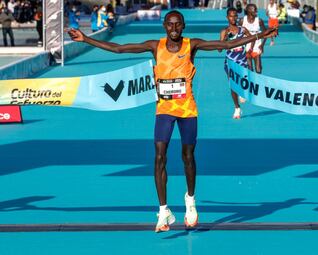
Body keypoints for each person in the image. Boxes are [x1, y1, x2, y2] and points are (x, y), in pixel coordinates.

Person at [68, 10, 276, 232]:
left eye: (178, 25)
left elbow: (224, 46)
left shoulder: (191, 44)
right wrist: (85, 38)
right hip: (165, 109)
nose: (174, 28)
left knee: (188, 157)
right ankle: (163, 210)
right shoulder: (155, 46)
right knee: (159, 156)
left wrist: (259, 36)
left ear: (183, 26)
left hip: (187, 109)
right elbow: (120, 49)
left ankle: (190, 200)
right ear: (164, 26)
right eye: (170, 25)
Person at [220, 7, 251, 119]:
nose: (233, 18)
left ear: (237, 17)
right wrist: (225, 39)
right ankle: (237, 108)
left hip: (242, 61)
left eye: (235, 15)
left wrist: (250, 50)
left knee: (242, 81)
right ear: (227, 17)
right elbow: (219, 49)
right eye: (231, 16)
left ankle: (243, 92)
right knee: (233, 85)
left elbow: (252, 38)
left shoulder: (243, 30)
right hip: (229, 62)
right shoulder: (224, 31)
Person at [240, 4, 267, 74]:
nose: (256, 11)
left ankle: (258, 83)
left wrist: (262, 45)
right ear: (249, 10)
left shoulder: (259, 21)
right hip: (246, 47)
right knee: (249, 69)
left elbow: (266, 33)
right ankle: (250, 84)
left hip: (257, 47)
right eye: (254, 9)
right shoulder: (242, 21)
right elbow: (238, 34)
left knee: (258, 69)